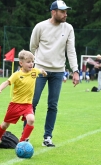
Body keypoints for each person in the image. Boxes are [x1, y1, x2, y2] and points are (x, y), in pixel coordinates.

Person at [29, 0, 79, 147]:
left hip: (58, 72)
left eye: (66, 11)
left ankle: (47, 137)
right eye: (62, 11)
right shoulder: (40, 27)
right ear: (53, 12)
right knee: (32, 103)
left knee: (53, 105)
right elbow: (33, 47)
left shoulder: (69, 28)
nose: (65, 14)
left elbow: (71, 50)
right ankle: (25, 136)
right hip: (39, 70)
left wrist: (75, 70)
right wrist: (34, 66)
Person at [0, 50, 47, 151]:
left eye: (32, 61)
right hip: (15, 104)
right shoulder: (17, 74)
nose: (31, 64)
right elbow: (6, 82)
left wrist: (44, 72)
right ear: (21, 63)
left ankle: (21, 144)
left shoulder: (34, 71)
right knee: (5, 125)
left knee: (31, 119)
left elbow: (40, 70)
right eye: (28, 62)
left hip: (27, 105)